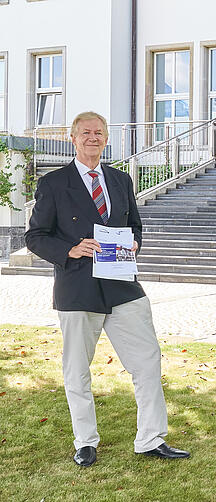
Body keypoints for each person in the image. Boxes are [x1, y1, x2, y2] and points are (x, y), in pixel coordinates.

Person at [25, 111, 189, 467]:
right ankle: (85, 441)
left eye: (99, 132)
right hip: (77, 288)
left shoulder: (119, 180)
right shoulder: (54, 183)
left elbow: (135, 226)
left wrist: (134, 244)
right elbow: (34, 236)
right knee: (77, 369)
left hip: (123, 286)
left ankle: (150, 438)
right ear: (73, 138)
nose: (93, 138)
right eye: (86, 133)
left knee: (147, 362)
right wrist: (69, 250)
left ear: (106, 138)